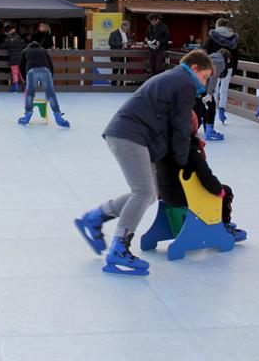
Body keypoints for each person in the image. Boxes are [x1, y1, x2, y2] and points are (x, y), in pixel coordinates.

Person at [74, 49, 213, 276]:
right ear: (195, 68)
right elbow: (179, 127)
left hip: (132, 134)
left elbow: (169, 124)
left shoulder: (174, 78)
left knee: (149, 193)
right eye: (206, 77)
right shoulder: (184, 82)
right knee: (143, 192)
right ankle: (119, 248)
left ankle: (94, 218)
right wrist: (183, 162)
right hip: (130, 135)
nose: (205, 83)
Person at [155, 110, 246, 242]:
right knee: (226, 191)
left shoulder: (162, 147)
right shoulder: (191, 150)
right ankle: (224, 226)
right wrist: (218, 190)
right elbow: (205, 176)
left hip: (166, 196)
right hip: (186, 197)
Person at [17, 41, 70, 127]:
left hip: (31, 71)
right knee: (51, 94)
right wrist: (50, 77)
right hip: (45, 71)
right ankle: (58, 117)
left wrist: (24, 79)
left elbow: (21, 66)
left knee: (30, 94)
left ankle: (27, 116)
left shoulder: (25, 51)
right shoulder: (43, 50)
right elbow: (51, 64)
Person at [202, 18, 238, 124]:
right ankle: (222, 109)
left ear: (217, 26)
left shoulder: (212, 37)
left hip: (214, 65)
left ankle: (212, 109)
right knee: (224, 89)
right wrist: (234, 69)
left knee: (214, 87)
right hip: (229, 65)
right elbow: (236, 55)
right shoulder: (233, 38)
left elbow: (204, 50)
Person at [195, 48, 231, 141]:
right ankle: (209, 131)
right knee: (211, 104)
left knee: (201, 105)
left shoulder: (212, 57)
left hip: (195, 83)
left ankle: (200, 127)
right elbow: (213, 78)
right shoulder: (221, 62)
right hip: (200, 85)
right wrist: (209, 93)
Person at [0, 24, 25, 93]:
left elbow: (1, 46)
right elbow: (24, 45)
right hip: (20, 59)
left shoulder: (8, 39)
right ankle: (26, 88)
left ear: (9, 31)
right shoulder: (19, 38)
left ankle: (16, 88)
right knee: (21, 73)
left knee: (15, 73)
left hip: (13, 59)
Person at [109, 21, 131, 85]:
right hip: (116, 55)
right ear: (121, 27)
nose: (125, 30)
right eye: (124, 29)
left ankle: (121, 84)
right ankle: (113, 84)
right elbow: (111, 43)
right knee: (115, 70)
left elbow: (128, 42)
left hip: (125, 55)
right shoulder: (113, 33)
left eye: (126, 29)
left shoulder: (127, 33)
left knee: (123, 70)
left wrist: (129, 43)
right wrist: (121, 44)